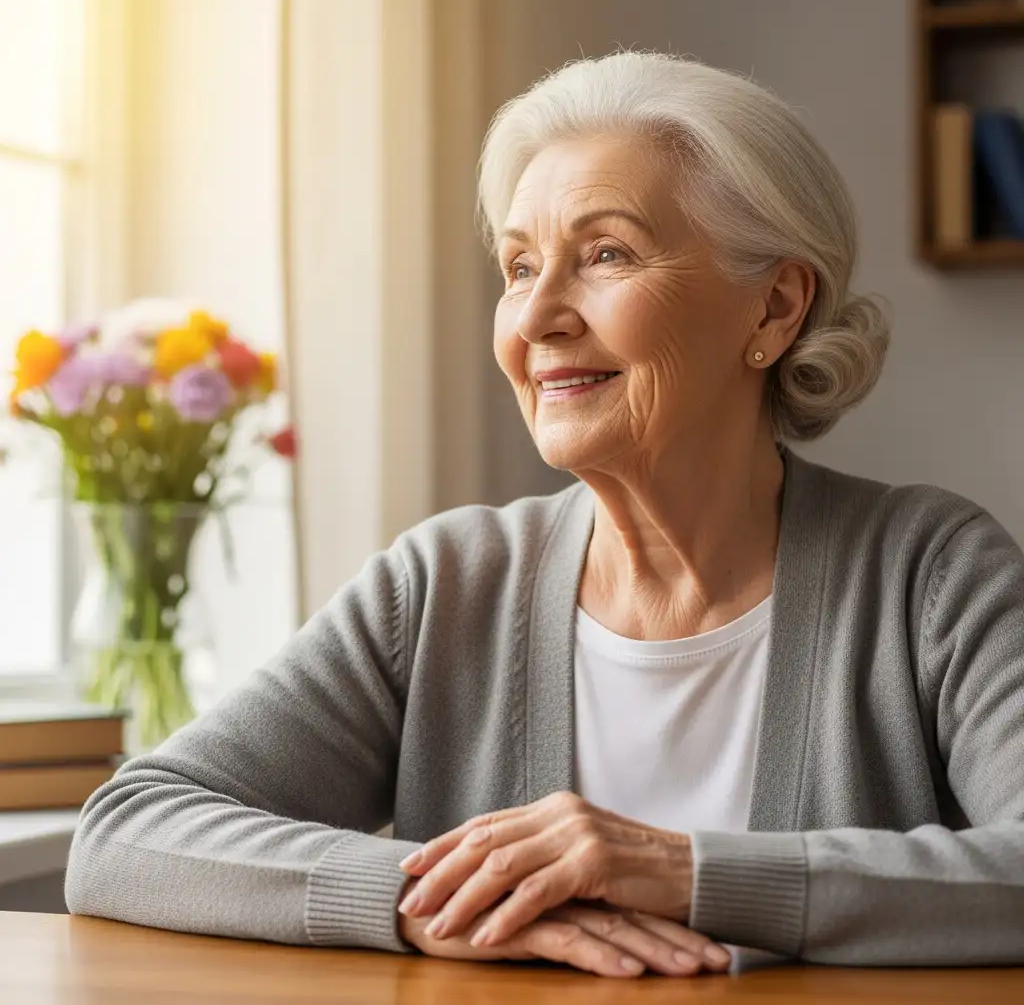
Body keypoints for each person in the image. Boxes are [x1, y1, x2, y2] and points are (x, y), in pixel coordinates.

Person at [65, 51, 1024, 979]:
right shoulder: (443, 585)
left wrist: (682, 872)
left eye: (605, 253)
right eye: (521, 267)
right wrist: (436, 899)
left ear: (773, 309)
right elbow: (127, 830)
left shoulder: (932, 576)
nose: (535, 320)